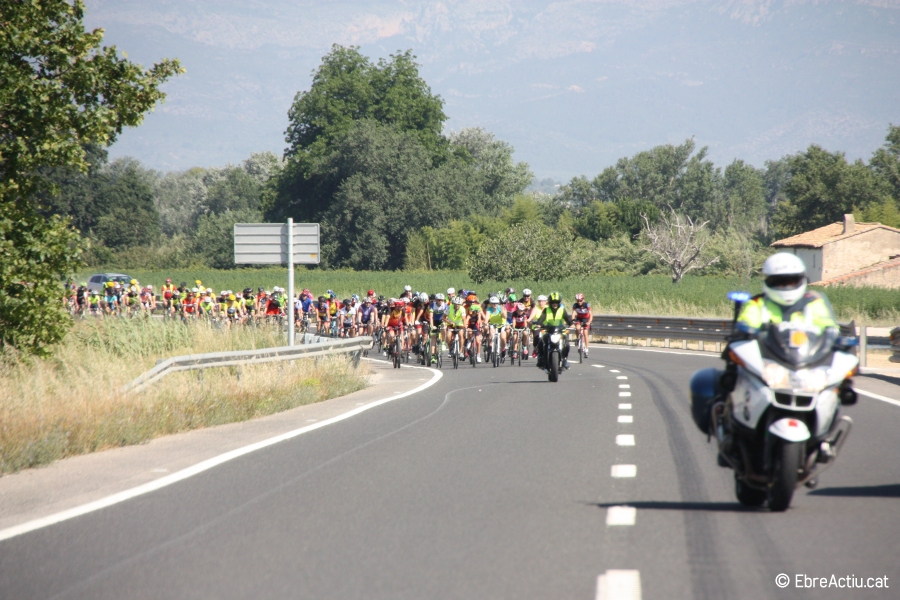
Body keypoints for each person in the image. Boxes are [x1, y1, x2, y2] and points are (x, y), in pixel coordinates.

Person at [532, 292, 573, 370]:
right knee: (541, 342)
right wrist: (539, 324)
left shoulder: (562, 309)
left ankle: (564, 359)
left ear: (559, 302)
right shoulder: (546, 310)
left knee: (567, 344)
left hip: (560, 331)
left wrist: (571, 324)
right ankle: (541, 358)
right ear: (550, 303)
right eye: (553, 302)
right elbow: (541, 318)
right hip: (548, 331)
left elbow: (567, 318)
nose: (554, 304)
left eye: (556, 302)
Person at [572, 293, 593, 357]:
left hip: (586, 319)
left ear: (583, 299)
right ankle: (578, 339)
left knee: (585, 333)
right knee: (577, 328)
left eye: (580, 300)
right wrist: (573, 320)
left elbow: (591, 314)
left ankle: (586, 349)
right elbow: (573, 313)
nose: (579, 302)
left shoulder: (586, 305)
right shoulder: (575, 305)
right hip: (579, 318)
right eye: (578, 301)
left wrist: (589, 321)